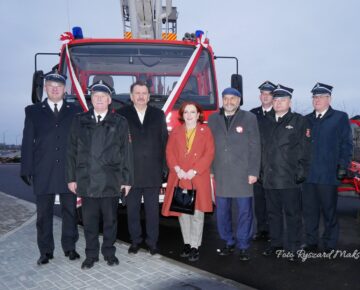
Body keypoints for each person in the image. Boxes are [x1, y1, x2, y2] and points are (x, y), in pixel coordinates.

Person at [66, 80, 133, 269]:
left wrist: (126, 180)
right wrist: (71, 178)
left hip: (111, 180)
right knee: (89, 222)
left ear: (110, 99)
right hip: (87, 180)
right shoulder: (79, 120)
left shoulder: (120, 122)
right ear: (91, 99)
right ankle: (91, 255)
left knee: (111, 221)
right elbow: (71, 151)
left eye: (103, 97)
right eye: (96, 96)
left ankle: (109, 253)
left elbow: (126, 152)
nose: (100, 99)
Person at [20, 71, 81, 265]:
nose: (55, 89)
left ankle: (70, 247)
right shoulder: (33, 111)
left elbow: (81, 143)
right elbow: (28, 141)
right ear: (45, 87)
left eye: (59, 86)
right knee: (43, 214)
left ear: (65, 89)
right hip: (43, 170)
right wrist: (26, 169)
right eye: (51, 85)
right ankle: (46, 251)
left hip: (68, 171)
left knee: (70, 211)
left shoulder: (75, 110)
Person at [208, 87, 261, 261]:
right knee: (222, 212)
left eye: (232, 99)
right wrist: (210, 170)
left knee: (244, 212)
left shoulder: (249, 118)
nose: (229, 102)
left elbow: (255, 147)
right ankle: (228, 242)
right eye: (225, 98)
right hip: (221, 173)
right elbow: (208, 146)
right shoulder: (213, 118)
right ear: (222, 100)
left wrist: (254, 171)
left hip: (243, 174)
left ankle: (243, 245)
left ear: (239, 101)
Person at [260, 84, 312, 261]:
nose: (278, 103)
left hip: (289, 177)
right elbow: (260, 148)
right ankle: (276, 245)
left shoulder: (299, 121)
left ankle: (295, 248)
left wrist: (302, 171)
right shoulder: (265, 120)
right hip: (269, 177)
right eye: (275, 99)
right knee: (273, 214)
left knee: (292, 214)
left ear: (290, 101)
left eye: (282, 100)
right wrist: (260, 171)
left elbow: (305, 149)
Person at [117, 80, 168, 255]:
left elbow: (164, 142)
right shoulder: (121, 114)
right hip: (130, 174)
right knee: (132, 211)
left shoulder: (158, 114)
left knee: (153, 211)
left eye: (144, 93)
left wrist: (165, 169)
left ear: (148, 96)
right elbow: (118, 146)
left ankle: (152, 242)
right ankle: (135, 241)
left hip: (153, 173)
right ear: (131, 96)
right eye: (137, 93)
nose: (140, 96)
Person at [302, 83, 353, 252]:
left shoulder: (339, 117)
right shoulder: (307, 119)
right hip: (309, 176)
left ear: (329, 99)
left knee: (329, 212)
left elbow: (346, 144)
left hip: (328, 174)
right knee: (310, 212)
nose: (317, 100)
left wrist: (343, 166)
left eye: (321, 97)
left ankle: (330, 244)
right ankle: (311, 242)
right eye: (315, 97)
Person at [162, 101, 215, 262]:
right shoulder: (176, 131)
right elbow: (169, 152)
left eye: (192, 112)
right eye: (186, 112)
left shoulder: (205, 131)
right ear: (182, 115)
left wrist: (194, 170)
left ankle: (194, 246)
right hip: (179, 177)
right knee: (183, 214)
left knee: (197, 214)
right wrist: (177, 169)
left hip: (197, 177)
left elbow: (209, 153)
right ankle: (186, 243)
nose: (189, 115)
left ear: (198, 114)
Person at [250, 81, 276, 241]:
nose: (265, 96)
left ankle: (274, 231)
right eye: (263, 93)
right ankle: (262, 230)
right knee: (259, 201)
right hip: (257, 164)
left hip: (273, 165)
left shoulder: (279, 113)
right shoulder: (253, 114)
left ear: (273, 97)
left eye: (268, 94)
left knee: (273, 202)